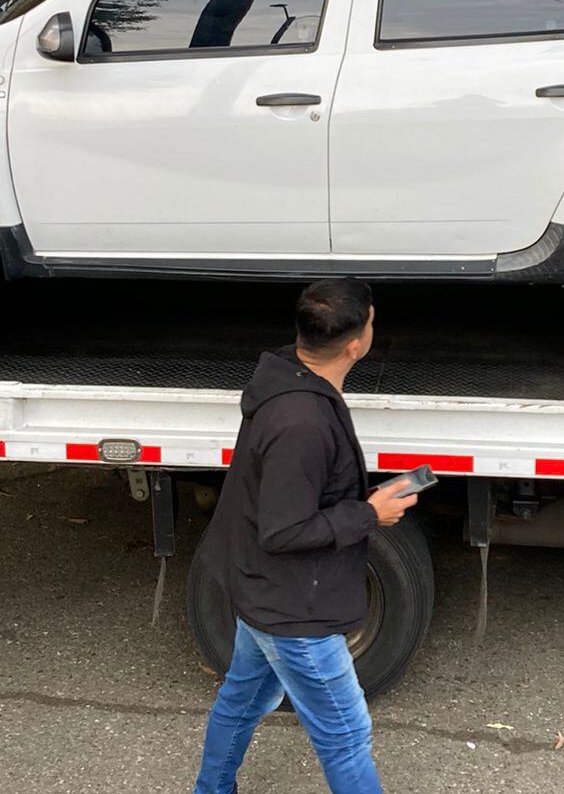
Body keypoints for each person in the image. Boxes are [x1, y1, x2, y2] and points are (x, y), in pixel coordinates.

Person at [192, 278, 416, 794]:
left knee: (242, 701)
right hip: (294, 610)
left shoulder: (293, 385)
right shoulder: (302, 421)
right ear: (357, 343)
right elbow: (285, 529)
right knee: (345, 736)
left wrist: (364, 502)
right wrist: (368, 514)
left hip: (265, 590)